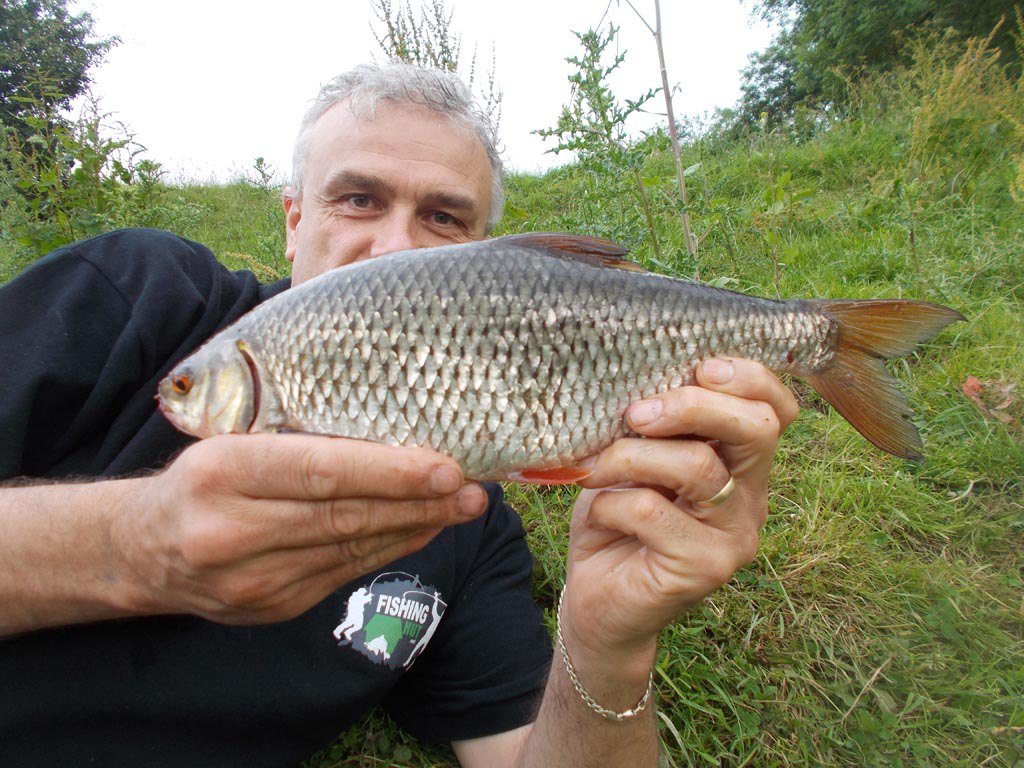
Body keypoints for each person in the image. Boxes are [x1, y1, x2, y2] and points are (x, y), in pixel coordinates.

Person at [0, 62, 797, 766]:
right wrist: (133, 545)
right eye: (357, 199)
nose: (397, 251)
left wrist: (608, 644)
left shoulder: (470, 512)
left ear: (490, 258)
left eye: (445, 219)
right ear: (293, 219)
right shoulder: (137, 293)